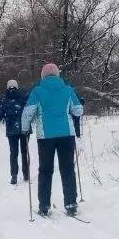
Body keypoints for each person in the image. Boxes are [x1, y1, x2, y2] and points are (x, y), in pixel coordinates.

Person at [21, 63, 84, 218]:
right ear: (57, 75)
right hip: (66, 135)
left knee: (45, 171)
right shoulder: (68, 90)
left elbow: (28, 112)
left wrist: (24, 128)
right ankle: (71, 204)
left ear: (43, 76)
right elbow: (78, 110)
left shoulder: (37, 91)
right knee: (68, 169)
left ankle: (44, 206)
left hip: (45, 137)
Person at [0, 79, 30, 186]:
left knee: (13, 153)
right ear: (17, 86)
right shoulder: (23, 96)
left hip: (11, 129)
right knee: (25, 151)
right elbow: (29, 109)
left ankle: (14, 175)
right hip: (24, 128)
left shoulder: (4, 99)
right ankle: (26, 173)